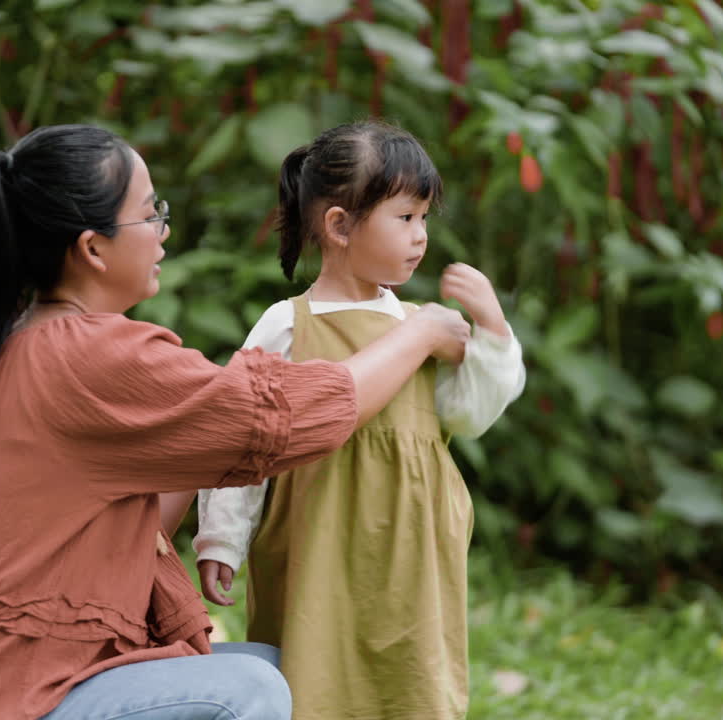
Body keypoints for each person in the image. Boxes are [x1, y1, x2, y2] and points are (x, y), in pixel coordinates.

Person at [0, 123, 474, 720]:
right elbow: (295, 417)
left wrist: (202, 432)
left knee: (274, 665)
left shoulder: (19, 344)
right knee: (250, 691)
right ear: (92, 247)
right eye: (150, 212)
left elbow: (139, 529)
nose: (164, 231)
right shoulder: (92, 357)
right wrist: (419, 333)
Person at [193, 121, 527, 720]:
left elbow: (471, 412)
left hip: (410, 543)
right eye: (405, 218)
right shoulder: (288, 322)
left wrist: (494, 333)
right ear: (340, 225)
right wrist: (221, 538)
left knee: (410, 681)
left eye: (425, 218)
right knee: (311, 672)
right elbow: (244, 434)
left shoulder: (422, 326)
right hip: (315, 531)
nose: (421, 236)